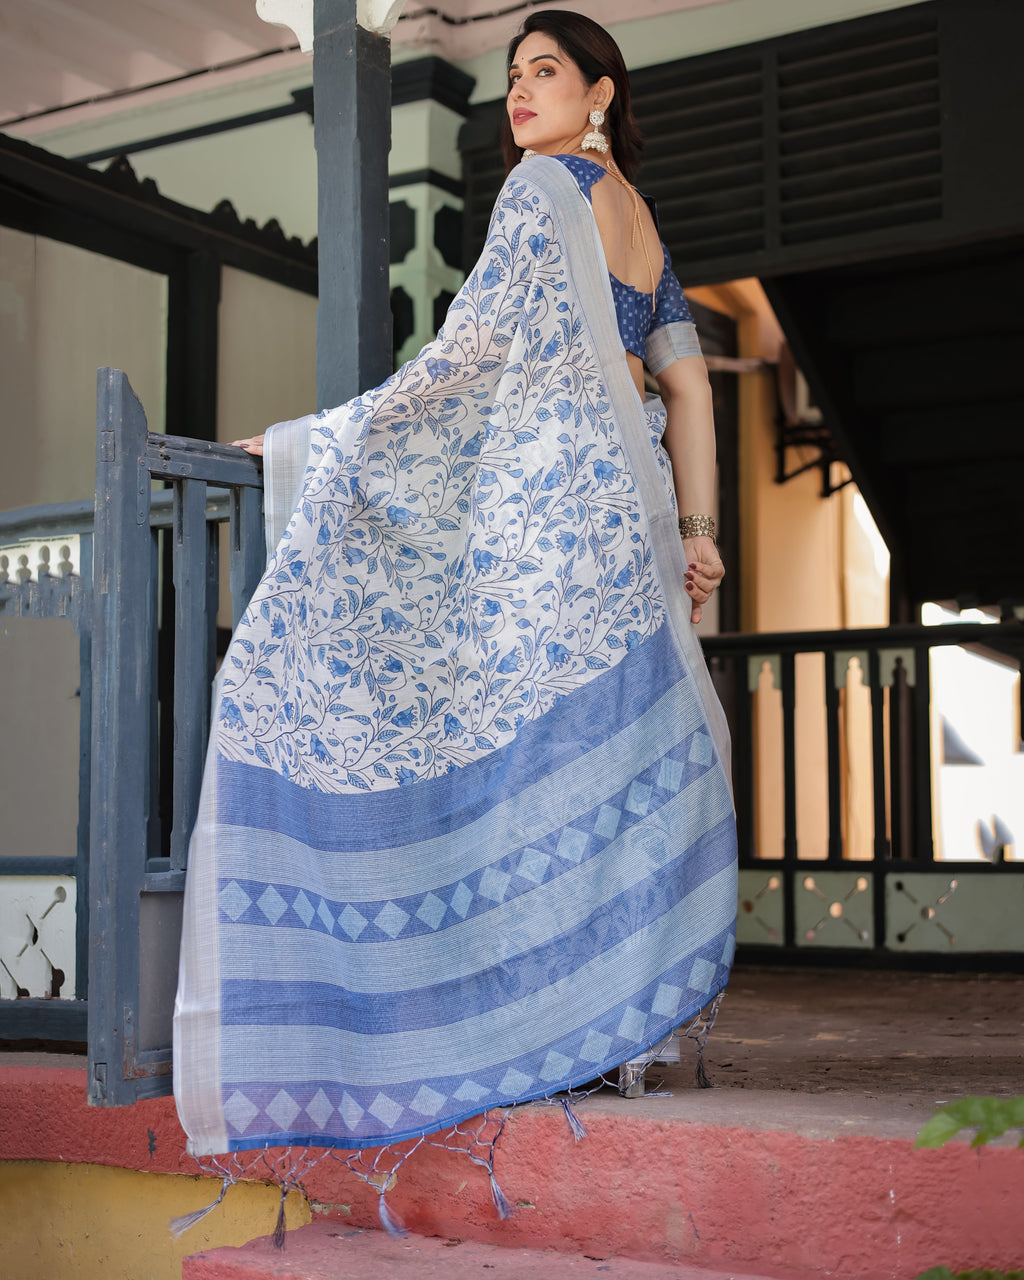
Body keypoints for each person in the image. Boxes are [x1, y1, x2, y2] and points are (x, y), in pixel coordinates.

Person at [174, 9, 738, 1224]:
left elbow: (460, 363)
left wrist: (301, 444)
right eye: (510, 77)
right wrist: (697, 533)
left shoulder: (542, 193)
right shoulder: (638, 219)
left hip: (549, 516)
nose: (517, 96)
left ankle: (531, 1023)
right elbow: (686, 382)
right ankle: (620, 1024)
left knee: (499, 752)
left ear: (600, 91)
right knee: (613, 764)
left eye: (543, 72)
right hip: (628, 511)